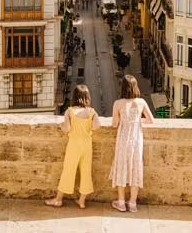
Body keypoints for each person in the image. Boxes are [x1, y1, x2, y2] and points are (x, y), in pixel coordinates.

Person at [46, 85, 101, 209]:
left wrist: (61, 125)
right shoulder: (91, 112)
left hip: (74, 144)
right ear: (87, 97)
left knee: (68, 170)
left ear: (75, 97)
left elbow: (67, 129)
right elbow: (97, 126)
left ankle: (58, 199)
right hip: (87, 145)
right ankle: (82, 201)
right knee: (86, 172)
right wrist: (89, 126)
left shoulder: (69, 111)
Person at [109, 75, 154, 213]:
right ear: (136, 87)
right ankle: (133, 203)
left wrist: (124, 121)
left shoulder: (118, 103)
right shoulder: (141, 102)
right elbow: (151, 120)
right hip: (136, 140)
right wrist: (137, 122)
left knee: (122, 168)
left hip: (123, 139)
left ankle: (121, 202)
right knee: (135, 169)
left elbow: (114, 124)